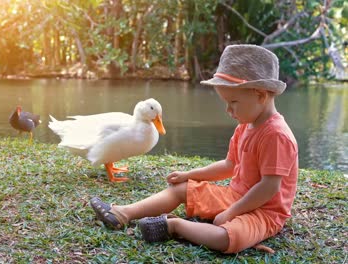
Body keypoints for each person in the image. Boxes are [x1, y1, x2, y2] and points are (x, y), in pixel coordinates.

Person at [90, 44, 299, 254]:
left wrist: (232, 212)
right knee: (182, 189)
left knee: (228, 238)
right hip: (235, 195)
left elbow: (269, 187)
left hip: (264, 212)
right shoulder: (245, 125)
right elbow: (229, 165)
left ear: (261, 95)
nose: (228, 110)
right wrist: (189, 175)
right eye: (226, 102)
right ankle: (122, 213)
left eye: (233, 102)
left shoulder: (276, 135)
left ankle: (175, 226)